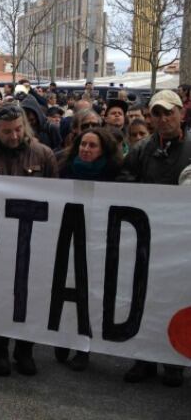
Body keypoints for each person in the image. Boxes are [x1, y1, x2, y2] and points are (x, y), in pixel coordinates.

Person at [0, 105, 58, 376]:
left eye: (19, 129)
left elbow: (58, 197)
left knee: (29, 298)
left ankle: (24, 351)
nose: (14, 135)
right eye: (7, 131)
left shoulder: (43, 155)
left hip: (32, 239)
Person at [119, 90, 189, 387]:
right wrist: (143, 193)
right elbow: (123, 175)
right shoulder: (144, 148)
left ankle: (173, 362)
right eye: (157, 113)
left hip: (181, 241)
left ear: (181, 113)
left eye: (168, 112)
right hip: (147, 239)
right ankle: (143, 359)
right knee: (143, 300)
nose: (163, 119)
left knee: (176, 299)